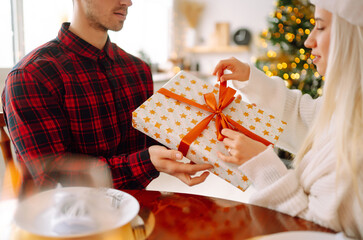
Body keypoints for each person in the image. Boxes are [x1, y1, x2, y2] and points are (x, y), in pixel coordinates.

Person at [2, 0, 212, 192]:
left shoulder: (137, 69)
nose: (128, 3)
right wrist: (147, 162)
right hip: (67, 222)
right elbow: (53, 179)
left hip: (137, 210)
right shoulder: (32, 76)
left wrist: (203, 135)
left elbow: (148, 145)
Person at [213, 0, 363, 239]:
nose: (308, 40)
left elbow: (318, 231)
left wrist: (263, 166)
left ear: (353, 35)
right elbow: (306, 118)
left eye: (321, 27)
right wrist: (251, 79)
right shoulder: (349, 103)